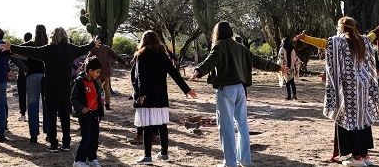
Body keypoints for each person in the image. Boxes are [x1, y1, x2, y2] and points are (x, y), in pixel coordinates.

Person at [191, 21, 284, 167]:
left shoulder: (220, 46)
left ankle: (230, 163)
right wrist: (278, 67)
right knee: (242, 125)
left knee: (226, 126)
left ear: (217, 33)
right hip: (240, 89)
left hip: (225, 90)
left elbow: (210, 61)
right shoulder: (240, 47)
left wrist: (198, 71)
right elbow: (258, 61)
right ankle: (245, 160)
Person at [0, 27, 98, 152]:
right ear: (65, 36)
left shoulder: (48, 49)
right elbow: (84, 48)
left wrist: (11, 47)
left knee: (51, 116)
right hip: (65, 88)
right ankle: (66, 143)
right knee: (65, 116)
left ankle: (53, 143)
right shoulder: (71, 49)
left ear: (52, 36)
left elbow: (30, 51)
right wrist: (93, 44)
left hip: (50, 88)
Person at [294, 24, 379, 165]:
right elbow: (371, 36)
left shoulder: (338, 41)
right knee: (363, 120)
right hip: (363, 88)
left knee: (349, 122)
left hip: (348, 89)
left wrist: (305, 38)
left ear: (342, 28)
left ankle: (356, 158)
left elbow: (322, 43)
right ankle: (365, 156)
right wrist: (376, 31)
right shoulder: (363, 40)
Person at [132, 31, 197, 165]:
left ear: (143, 40)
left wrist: (141, 94)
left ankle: (147, 156)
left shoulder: (141, 55)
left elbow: (140, 77)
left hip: (147, 96)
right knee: (162, 125)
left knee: (147, 125)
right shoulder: (162, 55)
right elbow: (174, 73)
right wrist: (186, 89)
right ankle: (164, 154)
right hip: (161, 96)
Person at [71, 56, 105, 167]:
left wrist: (100, 113)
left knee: (94, 137)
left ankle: (92, 158)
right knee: (86, 138)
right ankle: (79, 161)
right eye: (97, 72)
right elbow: (73, 98)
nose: (98, 74)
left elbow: (99, 98)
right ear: (90, 71)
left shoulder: (96, 82)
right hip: (85, 115)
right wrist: (81, 108)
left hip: (94, 114)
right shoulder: (79, 82)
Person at [89, 35, 129, 111]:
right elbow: (116, 55)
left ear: (97, 40)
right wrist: (124, 61)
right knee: (106, 89)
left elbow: (88, 58)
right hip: (106, 71)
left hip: (97, 72)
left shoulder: (93, 48)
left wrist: (83, 67)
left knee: (96, 89)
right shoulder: (107, 48)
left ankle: (97, 105)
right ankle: (107, 104)